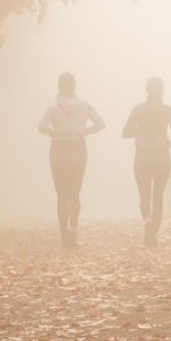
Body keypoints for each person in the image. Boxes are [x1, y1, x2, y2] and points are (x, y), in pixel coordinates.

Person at [38, 72, 105, 249]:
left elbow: (41, 127)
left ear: (59, 86)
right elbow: (101, 124)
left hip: (58, 149)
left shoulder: (52, 106)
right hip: (78, 147)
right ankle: (73, 234)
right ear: (74, 86)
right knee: (75, 194)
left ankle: (63, 235)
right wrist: (84, 131)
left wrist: (53, 132)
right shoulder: (84, 106)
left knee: (61, 195)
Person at [122, 76, 171, 246]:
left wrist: (139, 130)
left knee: (144, 195)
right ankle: (153, 234)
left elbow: (125, 132)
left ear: (146, 90)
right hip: (162, 157)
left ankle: (147, 221)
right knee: (158, 197)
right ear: (162, 91)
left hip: (142, 157)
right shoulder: (168, 110)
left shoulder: (139, 109)